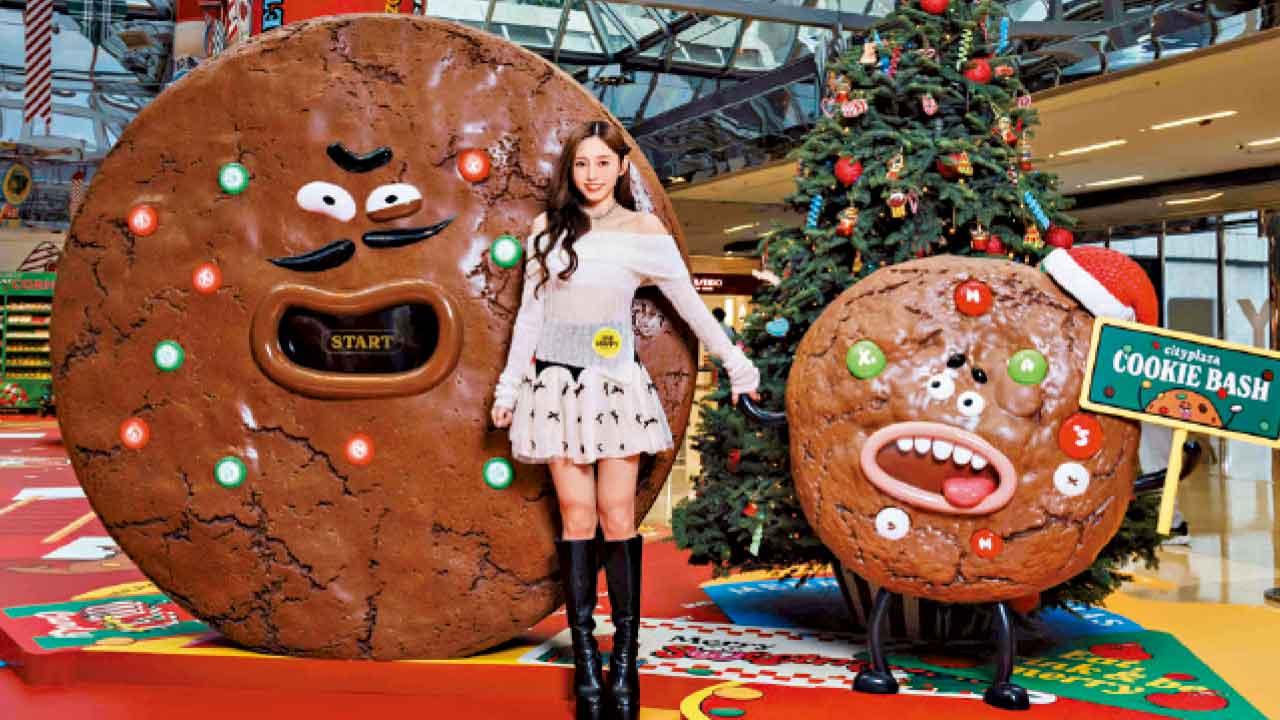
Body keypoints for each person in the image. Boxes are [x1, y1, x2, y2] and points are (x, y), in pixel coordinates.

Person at [490, 121, 760, 720]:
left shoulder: (643, 232)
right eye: (582, 164)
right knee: (577, 517)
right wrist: (509, 387)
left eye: (602, 164)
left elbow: (689, 306)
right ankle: (587, 662)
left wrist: (736, 363)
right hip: (556, 387)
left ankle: (625, 662)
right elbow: (529, 319)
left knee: (617, 517)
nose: (592, 175)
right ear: (571, 171)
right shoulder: (547, 231)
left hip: (614, 386)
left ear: (620, 169)